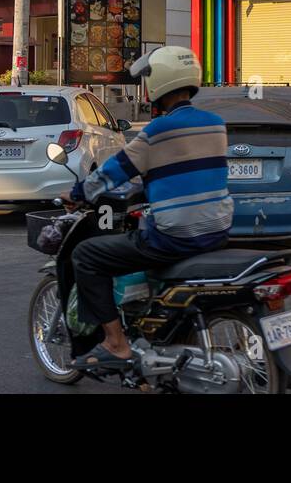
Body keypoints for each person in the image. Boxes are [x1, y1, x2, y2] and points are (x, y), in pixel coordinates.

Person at [61, 45, 232, 369]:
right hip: (218, 230)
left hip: (175, 237)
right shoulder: (216, 123)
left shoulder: (156, 132)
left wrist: (80, 192)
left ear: (158, 85)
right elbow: (185, 169)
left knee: (87, 256)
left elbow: (112, 172)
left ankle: (116, 342)